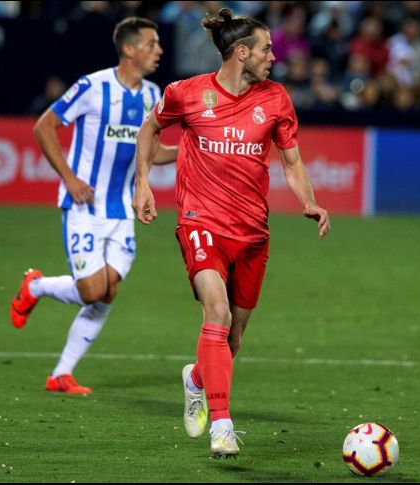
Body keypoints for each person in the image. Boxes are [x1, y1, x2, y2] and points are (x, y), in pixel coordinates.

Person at [132, 8, 330, 458]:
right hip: (201, 223)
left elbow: (292, 162)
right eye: (266, 49)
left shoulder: (276, 98)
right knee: (215, 313)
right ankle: (223, 425)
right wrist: (142, 182)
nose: (273, 56)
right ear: (241, 53)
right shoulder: (186, 93)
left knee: (233, 337)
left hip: (252, 233)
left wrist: (309, 201)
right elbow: (151, 128)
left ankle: (197, 379)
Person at [9, 17, 176, 395]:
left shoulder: (153, 96)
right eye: (151, 44)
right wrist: (69, 177)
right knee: (90, 292)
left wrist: (189, 151)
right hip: (84, 204)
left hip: (122, 211)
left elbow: (152, 151)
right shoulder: (92, 86)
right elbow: (44, 127)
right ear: (130, 49)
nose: (159, 50)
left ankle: (60, 375)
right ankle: (35, 287)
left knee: (107, 293)